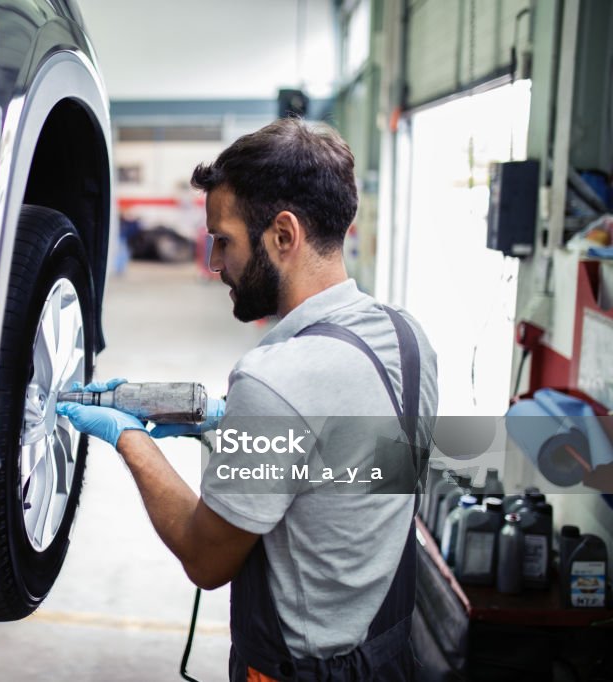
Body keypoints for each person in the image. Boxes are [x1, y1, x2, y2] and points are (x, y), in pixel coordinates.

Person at [58, 118, 439, 681]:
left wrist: (129, 438)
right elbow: (363, 467)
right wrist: (225, 424)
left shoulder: (275, 380)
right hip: (388, 656)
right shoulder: (408, 338)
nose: (214, 264)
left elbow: (205, 558)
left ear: (283, 235)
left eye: (224, 240)